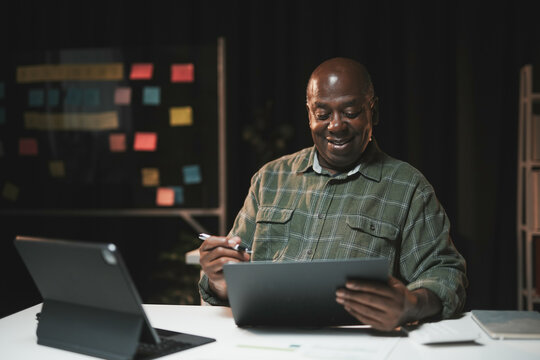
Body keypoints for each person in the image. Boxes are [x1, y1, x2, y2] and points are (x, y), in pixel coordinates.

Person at [198, 57, 467, 331]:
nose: (336, 126)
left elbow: (445, 273)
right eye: (323, 114)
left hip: (357, 347)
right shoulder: (270, 179)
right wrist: (220, 279)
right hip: (267, 343)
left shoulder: (408, 187)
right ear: (309, 114)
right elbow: (233, 274)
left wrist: (410, 304)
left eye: (350, 112)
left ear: (373, 112)